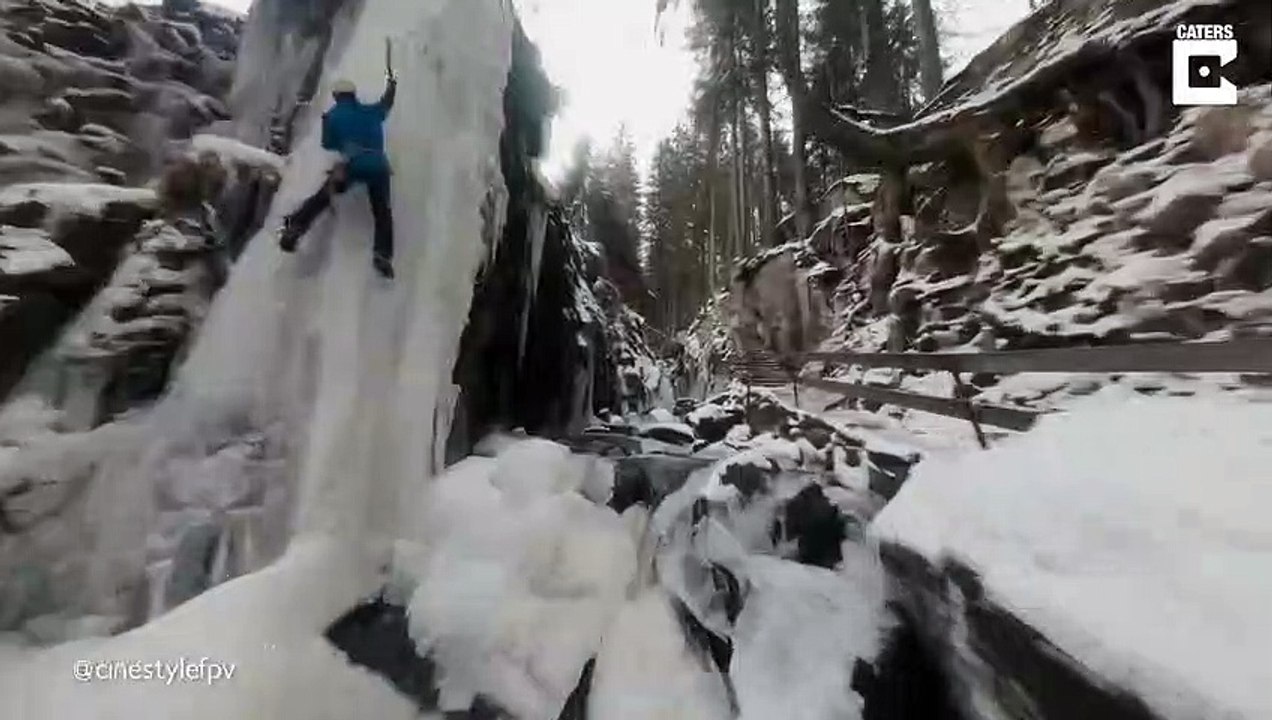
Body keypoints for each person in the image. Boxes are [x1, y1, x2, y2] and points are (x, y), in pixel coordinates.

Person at [279, 74, 398, 279]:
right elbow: (386, 103)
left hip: (352, 165)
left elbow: (328, 144)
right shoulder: (370, 112)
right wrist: (392, 85)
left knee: (323, 197)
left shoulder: (332, 116)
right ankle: (382, 255)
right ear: (353, 95)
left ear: (336, 96)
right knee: (382, 213)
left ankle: (296, 227)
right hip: (378, 166)